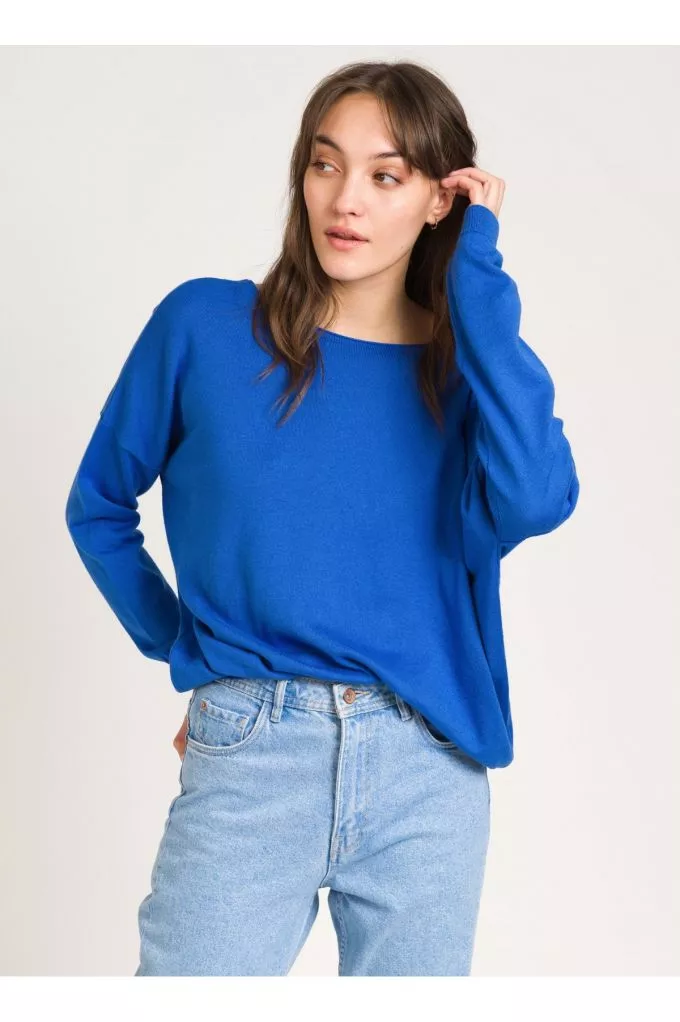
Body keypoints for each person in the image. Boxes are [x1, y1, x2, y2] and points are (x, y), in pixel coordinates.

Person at [64, 59, 579, 976]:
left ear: (440, 200)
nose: (346, 200)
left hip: (429, 767)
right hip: (254, 753)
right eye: (325, 164)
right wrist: (196, 650)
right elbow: (99, 503)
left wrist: (479, 277)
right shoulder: (205, 327)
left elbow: (538, 498)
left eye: (387, 176)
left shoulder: (468, 378)